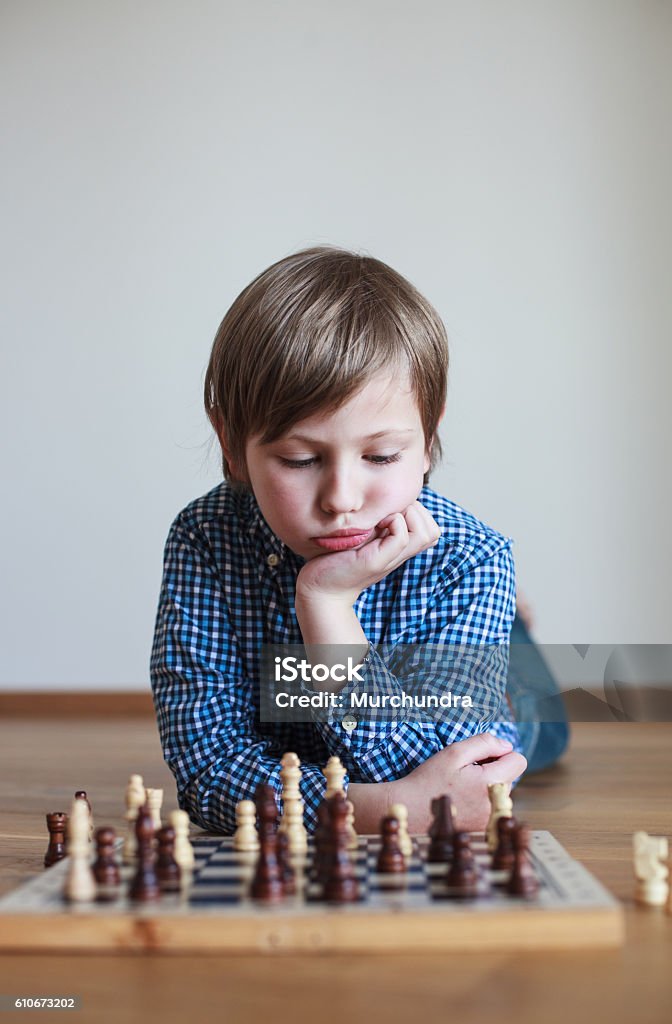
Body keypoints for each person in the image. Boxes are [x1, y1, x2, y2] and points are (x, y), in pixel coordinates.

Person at [150, 246, 565, 837]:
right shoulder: (204, 540)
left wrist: (325, 606)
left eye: (380, 456)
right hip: (373, 710)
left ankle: (513, 629)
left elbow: (443, 779)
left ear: (428, 439)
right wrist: (379, 808)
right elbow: (206, 772)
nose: (341, 498)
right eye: (299, 459)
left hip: (503, 696)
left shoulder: (471, 557)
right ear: (230, 440)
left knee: (543, 723)